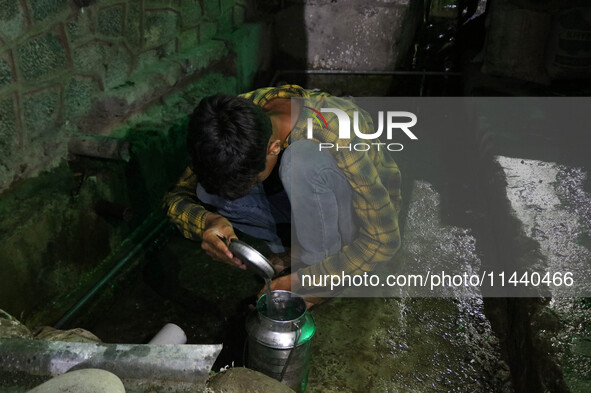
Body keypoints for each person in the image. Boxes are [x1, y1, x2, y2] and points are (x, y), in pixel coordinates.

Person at [163, 85, 402, 304]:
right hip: (304, 204)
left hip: (355, 220)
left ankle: (320, 278)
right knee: (207, 189)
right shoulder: (225, 124)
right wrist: (208, 222)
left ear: (273, 148)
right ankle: (294, 252)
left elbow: (384, 240)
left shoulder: (339, 130)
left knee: (300, 161)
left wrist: (305, 282)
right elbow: (175, 197)